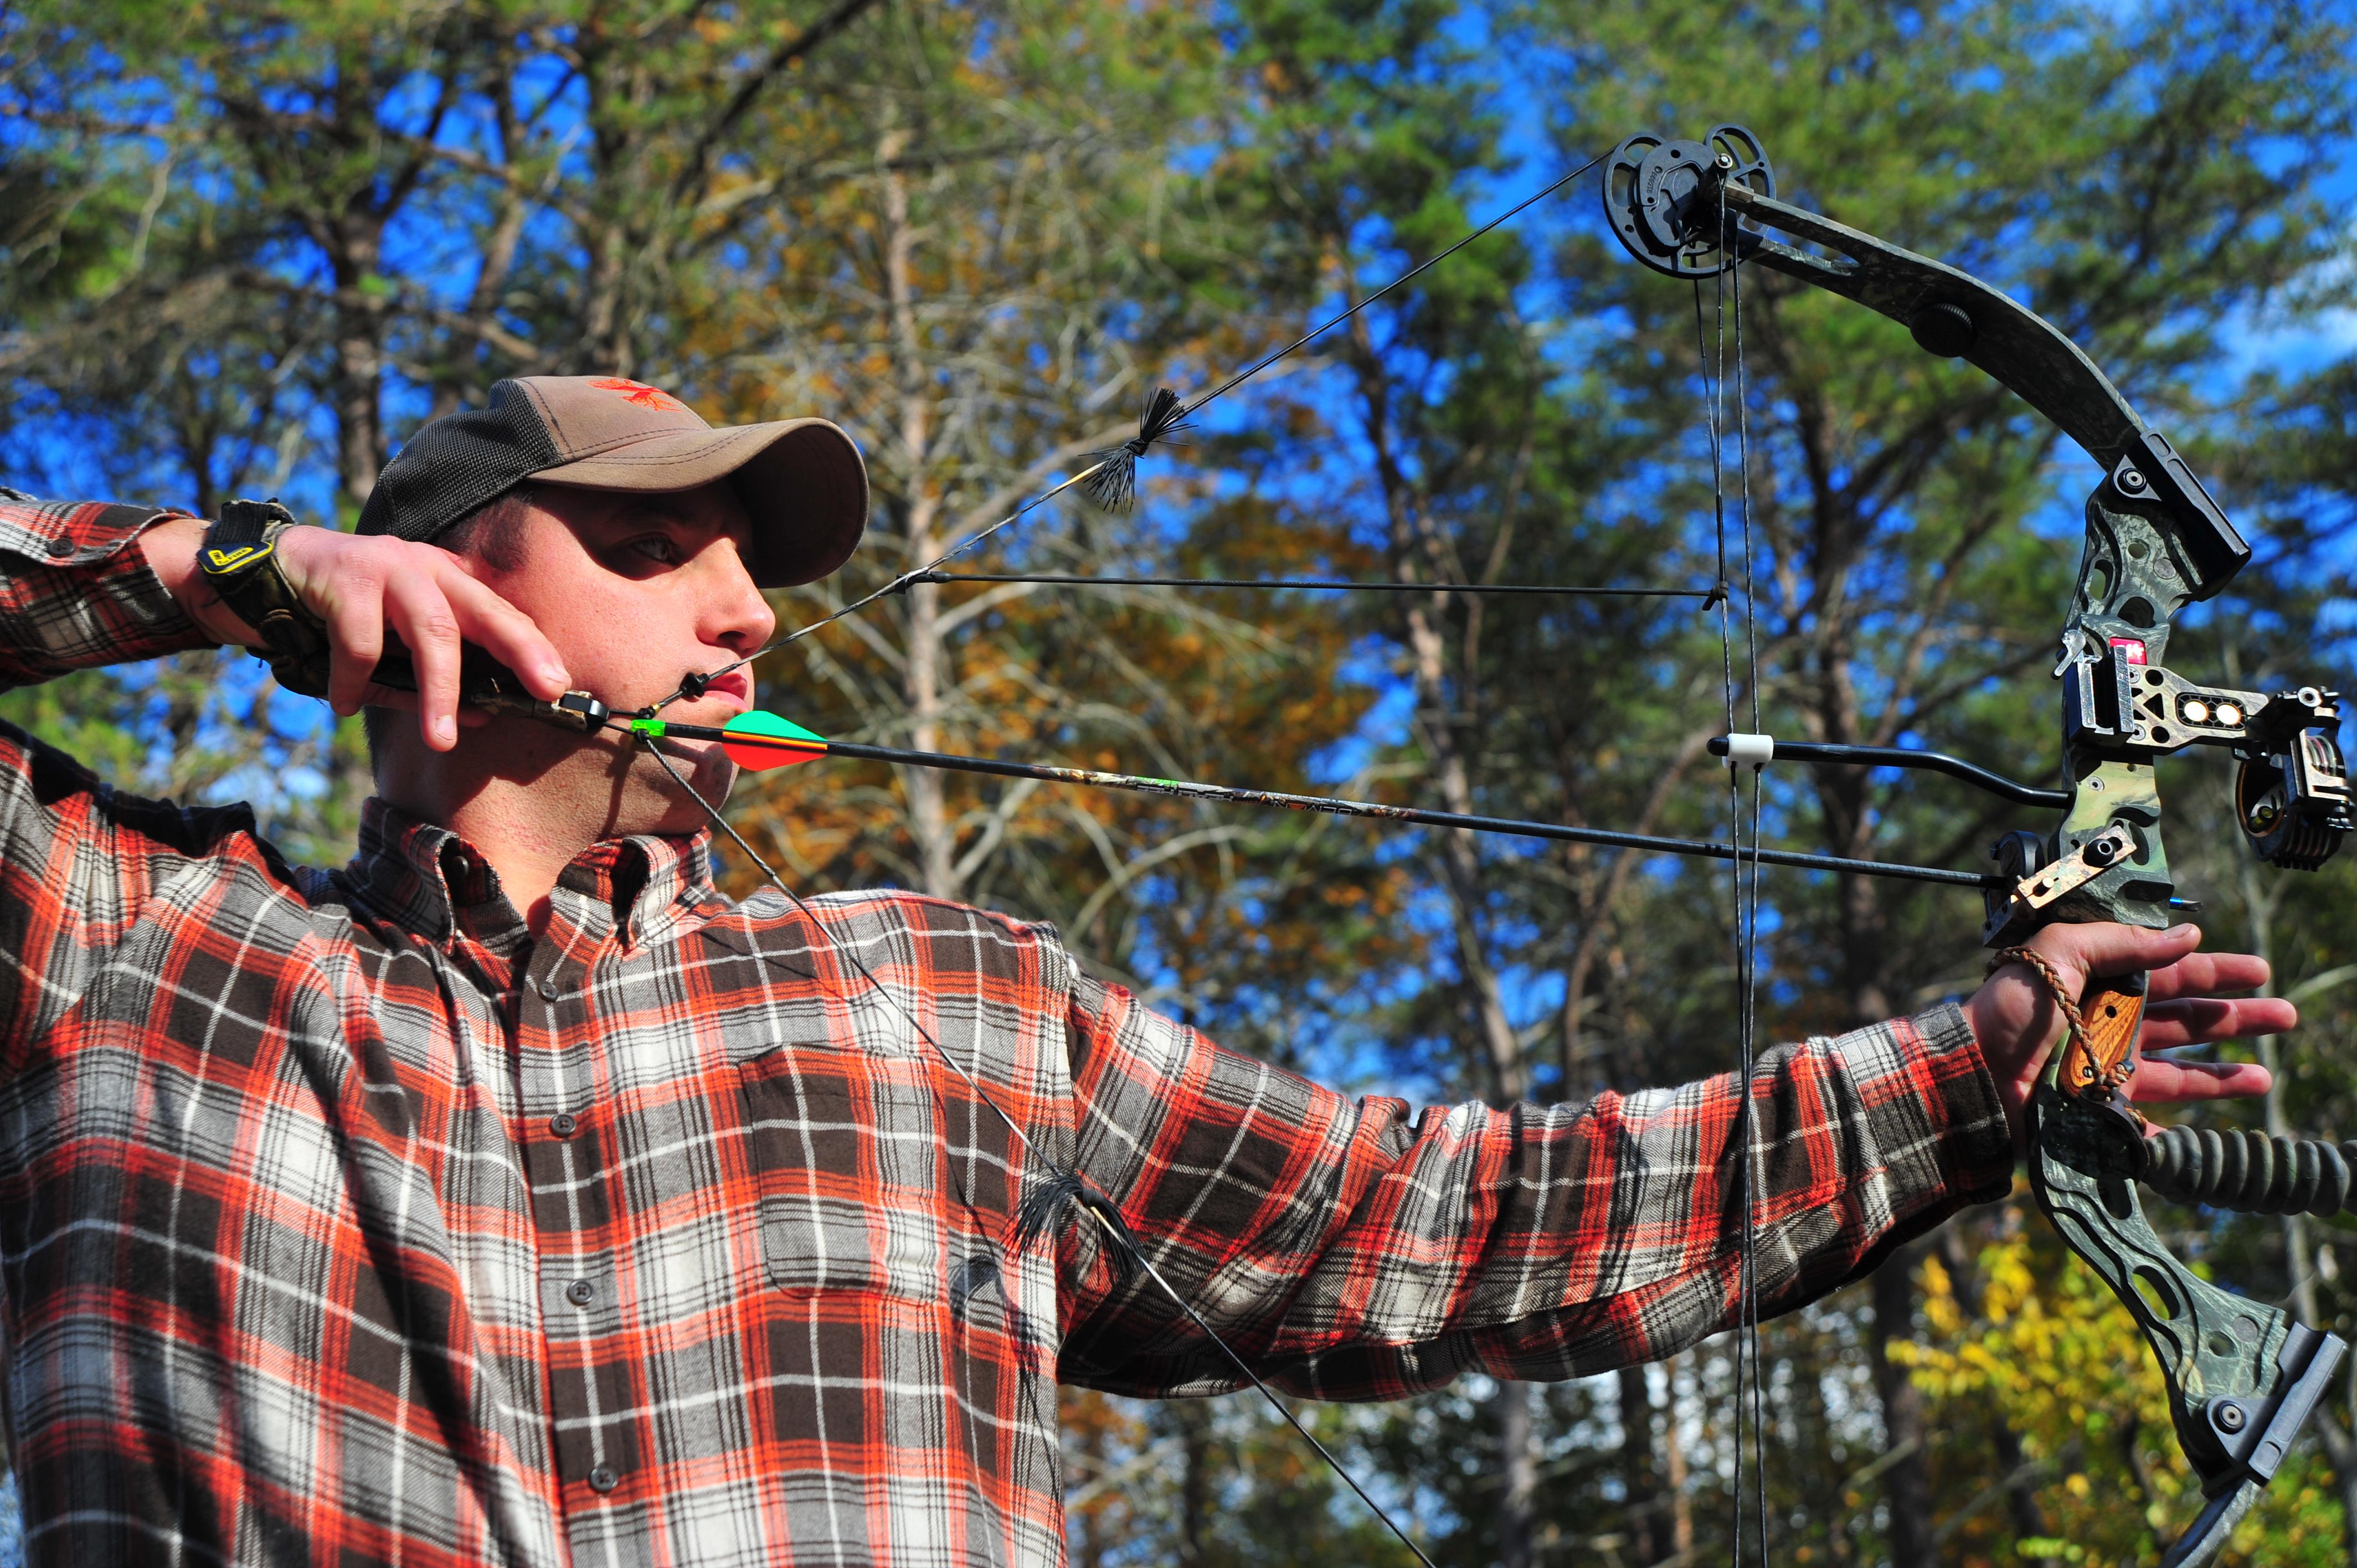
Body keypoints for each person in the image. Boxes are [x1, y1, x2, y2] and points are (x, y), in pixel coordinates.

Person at [0, 375, 2285, 1567]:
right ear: (432, 578)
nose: (749, 616)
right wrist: (193, 567)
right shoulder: (131, 943)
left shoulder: (951, 1003)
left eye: (755, 572)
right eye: (653, 542)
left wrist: (1997, 1057)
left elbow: (1450, 1220)